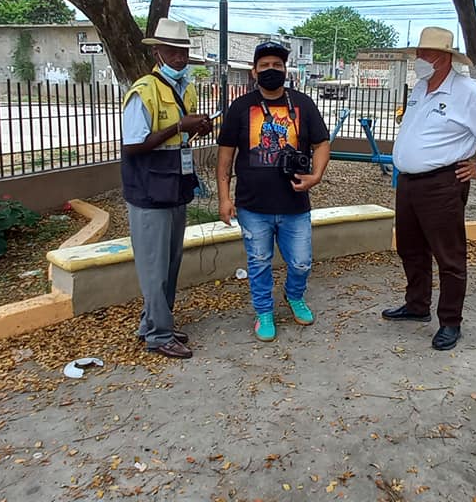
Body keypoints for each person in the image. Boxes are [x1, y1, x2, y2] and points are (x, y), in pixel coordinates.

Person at [380, 27, 476, 351]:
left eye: (425, 53)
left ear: (443, 58)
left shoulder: (468, 92)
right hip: (409, 182)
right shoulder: (421, 87)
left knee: (448, 255)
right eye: (418, 52)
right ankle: (417, 305)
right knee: (410, 248)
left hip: (442, 182)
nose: (418, 58)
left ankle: (450, 321)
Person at [216, 41, 330, 342]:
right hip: (253, 206)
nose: (271, 70)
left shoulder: (303, 104)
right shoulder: (240, 107)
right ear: (254, 71)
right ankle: (264, 311)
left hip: (295, 204)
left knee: (302, 262)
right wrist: (224, 198)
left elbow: (322, 143)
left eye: (277, 65)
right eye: (264, 65)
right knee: (259, 262)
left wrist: (316, 176)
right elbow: (225, 156)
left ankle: (294, 295)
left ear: (285, 70)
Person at [122, 18, 213, 359]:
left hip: (175, 185)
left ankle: (154, 323)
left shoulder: (186, 89)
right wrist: (178, 126)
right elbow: (133, 145)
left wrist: (195, 128)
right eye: (172, 50)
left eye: (183, 51)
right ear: (157, 52)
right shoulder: (143, 91)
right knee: (154, 267)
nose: (179, 57)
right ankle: (159, 336)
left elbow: (179, 137)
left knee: (170, 263)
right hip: (148, 190)